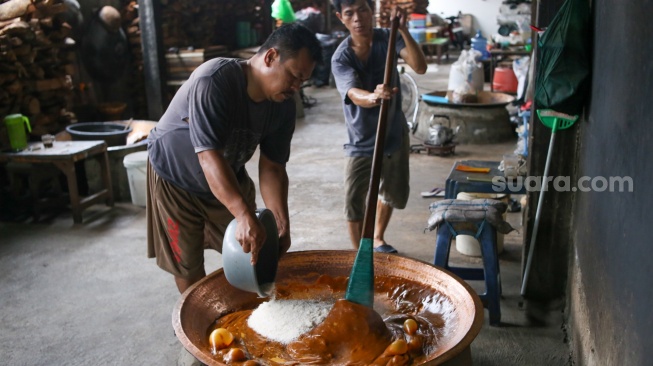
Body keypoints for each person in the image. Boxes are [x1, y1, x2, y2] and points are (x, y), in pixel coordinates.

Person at [146, 23, 322, 294]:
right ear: (270, 57)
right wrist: (241, 213)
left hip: (226, 173)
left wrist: (280, 221)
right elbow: (208, 156)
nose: (297, 88)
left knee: (256, 249)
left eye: (303, 82)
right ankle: (200, 323)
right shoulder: (214, 80)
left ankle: (251, 317)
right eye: (294, 76)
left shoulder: (283, 105)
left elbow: (273, 167)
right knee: (187, 264)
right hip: (175, 177)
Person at [331, 0, 427, 253]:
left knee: (392, 191)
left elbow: (420, 66)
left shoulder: (389, 37)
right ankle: (360, 254)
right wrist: (374, 96)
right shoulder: (342, 57)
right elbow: (352, 93)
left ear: (371, 11)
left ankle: (377, 237)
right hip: (361, 138)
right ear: (341, 17)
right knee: (354, 200)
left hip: (393, 132)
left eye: (362, 10)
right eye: (350, 13)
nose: (358, 19)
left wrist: (404, 30)